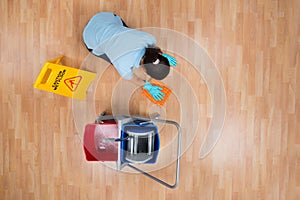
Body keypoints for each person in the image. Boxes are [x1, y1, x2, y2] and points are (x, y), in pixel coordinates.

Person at [82, 12, 177, 101]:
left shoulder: (150, 38)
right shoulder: (122, 64)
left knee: (126, 33)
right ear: (144, 70)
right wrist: (147, 86)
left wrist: (161, 55)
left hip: (104, 18)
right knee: (111, 59)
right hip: (90, 38)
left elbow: (152, 47)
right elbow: (133, 79)